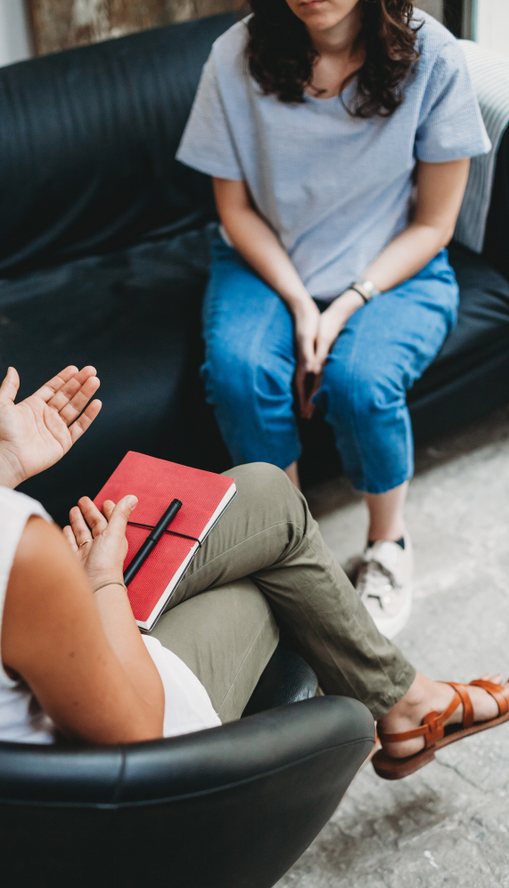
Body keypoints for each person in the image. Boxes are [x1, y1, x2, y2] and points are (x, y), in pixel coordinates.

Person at [0, 104, 506, 781]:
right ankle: (405, 711)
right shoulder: (16, 552)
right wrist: (98, 581)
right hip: (111, 795)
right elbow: (136, 738)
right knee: (280, 586)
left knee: (264, 493)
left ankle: (406, 706)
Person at [176, 0, 491, 639]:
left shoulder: (435, 58)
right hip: (266, 257)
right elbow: (233, 209)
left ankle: (388, 545)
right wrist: (299, 302)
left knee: (362, 383)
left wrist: (348, 301)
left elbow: (435, 223)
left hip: (393, 262)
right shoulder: (234, 56)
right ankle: (294, 552)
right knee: (239, 372)